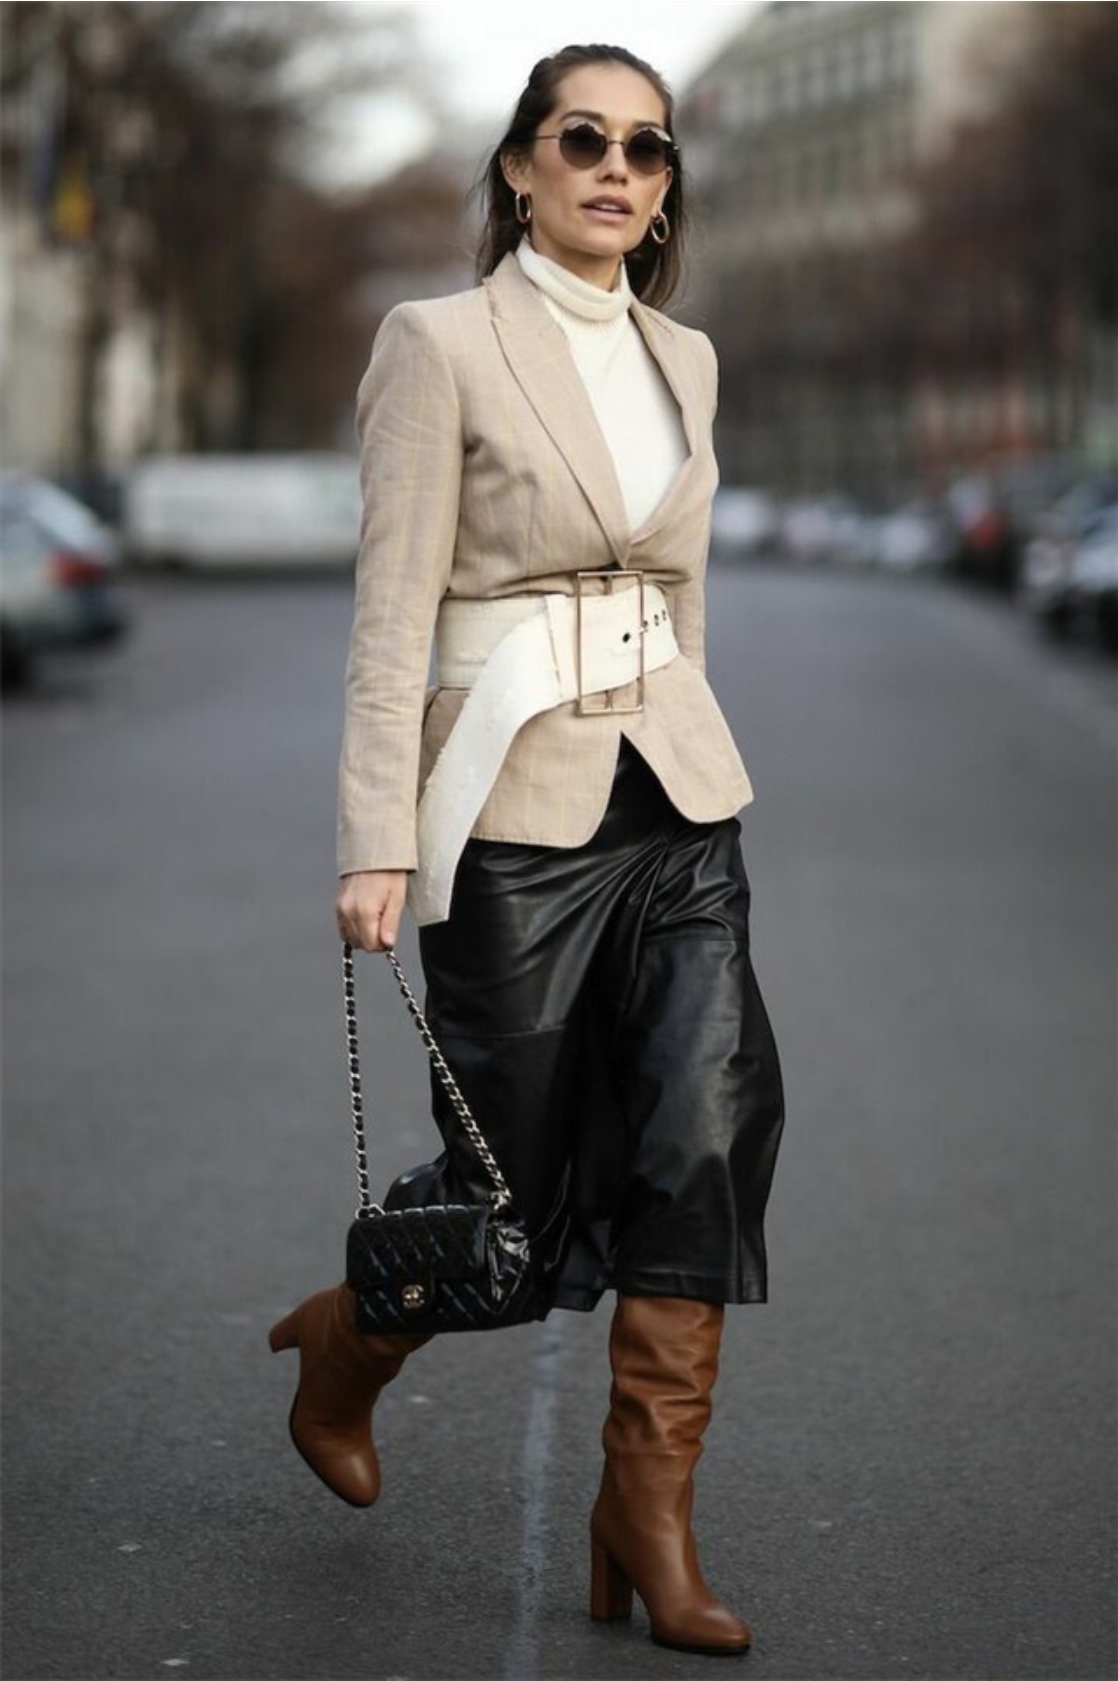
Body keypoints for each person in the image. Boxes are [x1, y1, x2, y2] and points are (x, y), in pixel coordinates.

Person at [269, 43, 785, 1658]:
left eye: (647, 146)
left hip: (674, 802)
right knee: (513, 1206)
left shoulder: (684, 356)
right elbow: (390, 616)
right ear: (520, 165)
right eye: (582, 138)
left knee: (705, 1131)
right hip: (507, 807)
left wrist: (689, 733)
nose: (617, 168)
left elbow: (678, 596)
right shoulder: (439, 343)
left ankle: (646, 1509)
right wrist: (374, 836)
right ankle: (350, 1336)